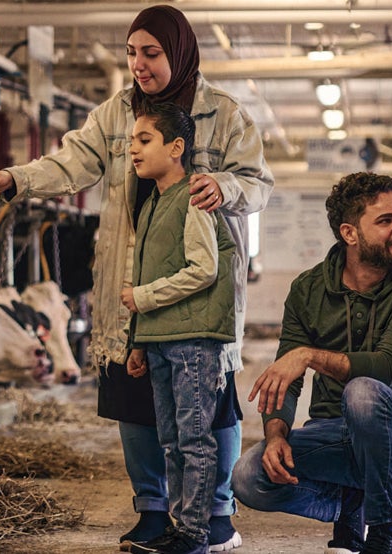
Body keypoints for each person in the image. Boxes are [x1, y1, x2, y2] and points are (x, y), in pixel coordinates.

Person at [0, 5, 272, 552]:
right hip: (133, 278)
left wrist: (225, 186)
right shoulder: (115, 114)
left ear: (177, 52)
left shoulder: (223, 114)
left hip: (199, 281)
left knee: (206, 400)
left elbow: (259, 183)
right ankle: (153, 509)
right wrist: (15, 177)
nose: (139, 65)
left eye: (150, 53)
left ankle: (217, 512)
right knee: (136, 396)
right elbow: (72, 163)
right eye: (132, 53)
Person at [232, 172, 392, 554]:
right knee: (248, 476)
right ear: (349, 234)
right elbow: (285, 380)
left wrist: (309, 355)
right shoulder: (308, 290)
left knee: (363, 391)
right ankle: (348, 509)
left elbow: (388, 367)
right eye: (386, 220)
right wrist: (276, 435)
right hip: (336, 434)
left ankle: (380, 534)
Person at [118, 101, 240, 554]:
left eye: (143, 140)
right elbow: (153, 270)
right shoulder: (153, 202)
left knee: (194, 439)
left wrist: (142, 299)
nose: (133, 149)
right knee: (170, 441)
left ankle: (194, 533)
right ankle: (179, 526)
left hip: (192, 342)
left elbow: (204, 269)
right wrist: (137, 340)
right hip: (160, 338)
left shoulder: (193, 195)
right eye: (132, 141)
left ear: (176, 147)